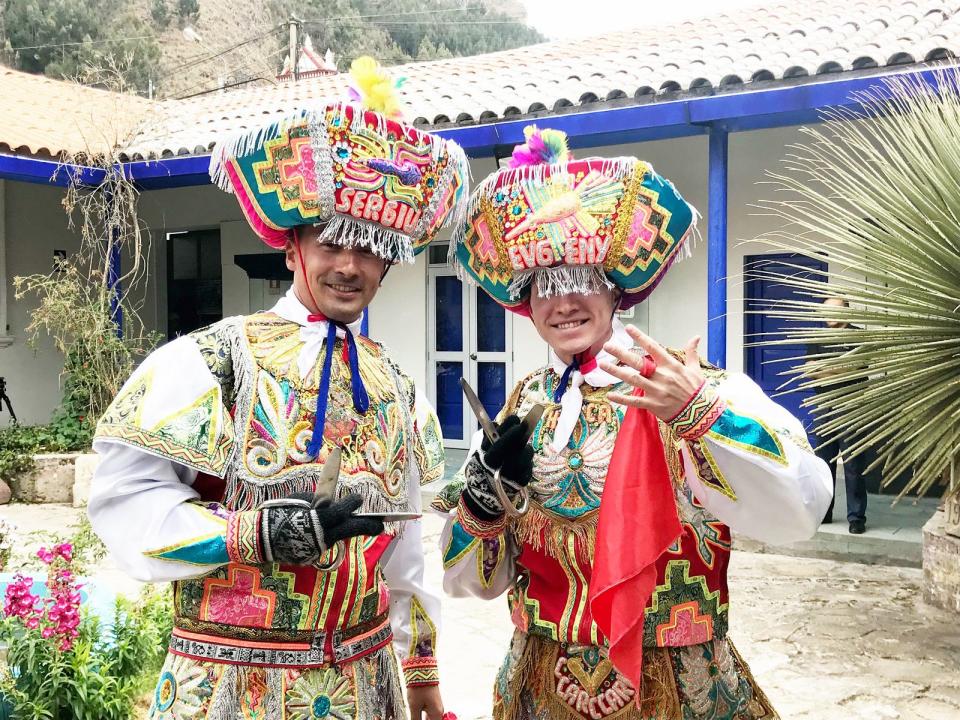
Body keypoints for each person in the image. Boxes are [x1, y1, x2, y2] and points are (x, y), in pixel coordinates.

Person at [88, 58, 467, 720]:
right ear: (291, 245)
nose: (348, 265)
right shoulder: (211, 360)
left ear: (388, 261)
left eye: (369, 248)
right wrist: (252, 534)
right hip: (233, 684)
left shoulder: (398, 387)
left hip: (366, 684)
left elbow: (404, 553)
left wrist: (424, 679)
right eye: (329, 243)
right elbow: (124, 508)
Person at [433, 126, 833, 719]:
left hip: (675, 684)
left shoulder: (685, 382)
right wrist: (486, 503)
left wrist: (699, 412)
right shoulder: (523, 405)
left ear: (615, 290)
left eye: (581, 283)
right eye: (545, 287)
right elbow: (469, 582)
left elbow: (804, 506)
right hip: (543, 684)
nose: (564, 303)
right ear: (526, 304)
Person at [805, 297, 867, 534]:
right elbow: (809, 369)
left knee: (853, 466)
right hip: (824, 406)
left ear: (846, 313)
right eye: (824, 311)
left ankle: (856, 518)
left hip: (851, 407)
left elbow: (854, 369)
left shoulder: (858, 336)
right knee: (824, 463)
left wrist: (825, 369)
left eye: (833, 311)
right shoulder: (817, 337)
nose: (828, 315)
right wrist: (837, 369)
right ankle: (825, 513)